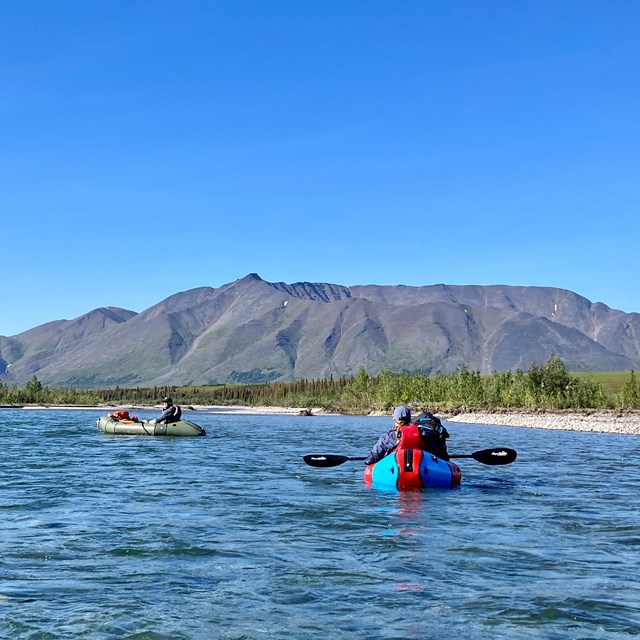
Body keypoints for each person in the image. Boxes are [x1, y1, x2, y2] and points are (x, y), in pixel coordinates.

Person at [364, 405, 450, 465]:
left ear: (394, 419)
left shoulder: (389, 437)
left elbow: (373, 457)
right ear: (410, 419)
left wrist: (368, 462)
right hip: (422, 466)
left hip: (397, 467)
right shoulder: (424, 432)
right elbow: (439, 453)